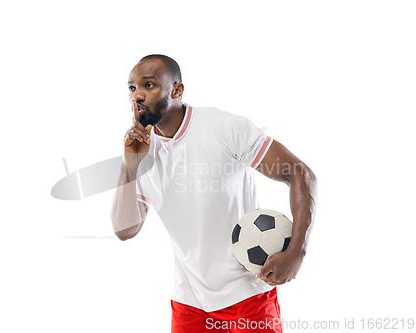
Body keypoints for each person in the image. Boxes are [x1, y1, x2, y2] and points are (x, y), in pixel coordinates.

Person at [110, 54, 317, 333]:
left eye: (149, 85)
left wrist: (297, 252)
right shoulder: (143, 152)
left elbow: (300, 174)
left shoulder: (222, 127)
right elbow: (125, 230)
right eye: (132, 88)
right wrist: (129, 165)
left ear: (177, 89)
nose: (138, 96)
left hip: (248, 296)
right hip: (189, 303)